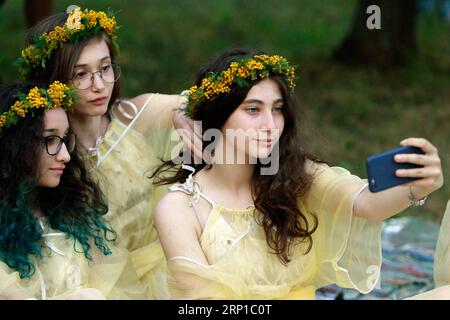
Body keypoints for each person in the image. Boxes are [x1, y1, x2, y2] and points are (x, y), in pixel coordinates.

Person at [152, 48, 444, 299]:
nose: (270, 125)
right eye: (253, 110)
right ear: (218, 115)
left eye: (277, 109)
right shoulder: (180, 208)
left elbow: (366, 202)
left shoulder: (293, 174)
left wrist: (416, 186)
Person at [17, 6, 196, 298]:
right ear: (54, 81)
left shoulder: (133, 116)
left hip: (167, 275)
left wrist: (182, 113)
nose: (99, 85)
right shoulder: (48, 154)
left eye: (105, 67)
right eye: (81, 74)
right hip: (99, 288)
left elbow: (202, 100)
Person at [0, 82, 146, 299]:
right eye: (50, 140)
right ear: (16, 145)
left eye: (65, 139)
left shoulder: (73, 214)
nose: (65, 156)